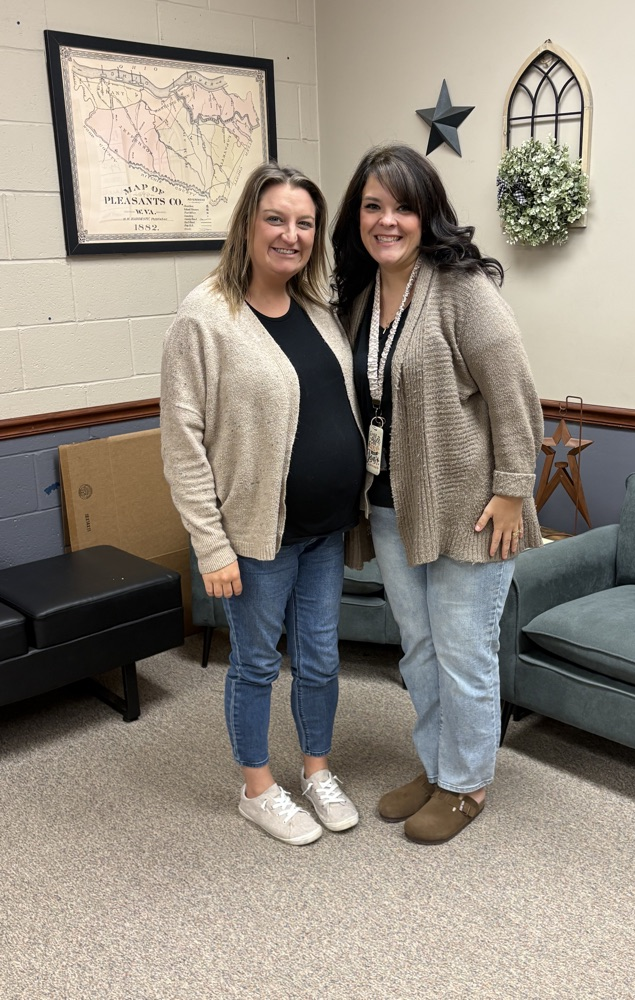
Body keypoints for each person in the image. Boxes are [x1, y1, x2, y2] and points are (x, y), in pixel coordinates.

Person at [331, 143, 544, 845]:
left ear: (428, 214)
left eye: (402, 206)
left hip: (472, 509)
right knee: (419, 651)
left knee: (463, 650)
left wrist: (514, 490)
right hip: (392, 507)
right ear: (356, 216)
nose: (386, 220)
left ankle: (468, 784)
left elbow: (514, 396)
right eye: (372, 206)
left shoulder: (462, 290)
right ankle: (436, 766)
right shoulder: (363, 297)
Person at [161, 163, 366, 846]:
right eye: (276, 219)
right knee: (254, 663)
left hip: (324, 532)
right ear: (247, 225)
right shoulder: (205, 317)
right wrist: (211, 546)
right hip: (257, 538)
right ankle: (256, 788)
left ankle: (316, 771)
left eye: (305, 222)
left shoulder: (316, 309)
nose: (292, 234)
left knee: (320, 659)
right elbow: (182, 444)